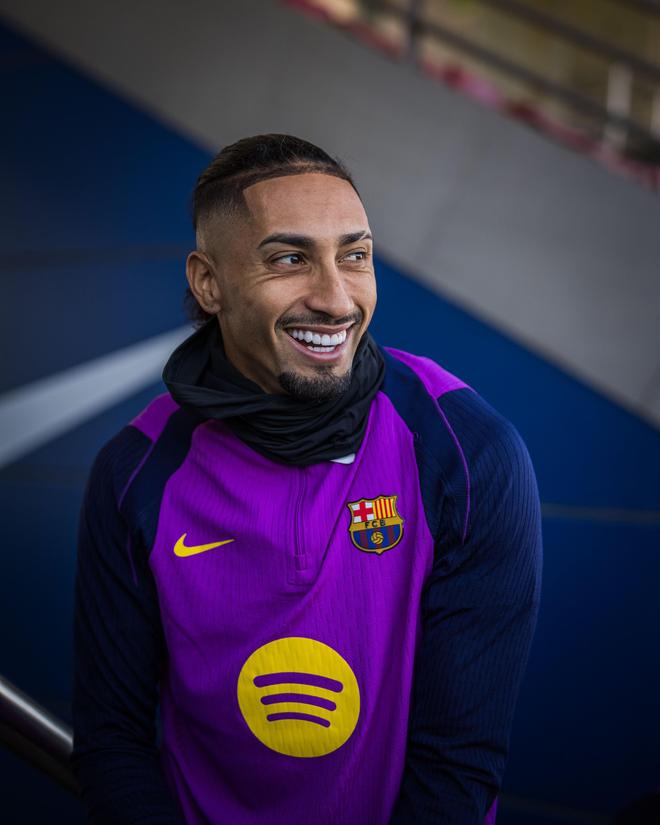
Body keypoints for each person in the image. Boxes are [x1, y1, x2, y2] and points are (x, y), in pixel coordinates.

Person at [70, 133, 542, 825]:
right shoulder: (136, 471)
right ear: (209, 283)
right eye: (290, 259)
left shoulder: (467, 452)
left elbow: (459, 764)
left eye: (355, 256)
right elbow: (112, 740)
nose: (335, 298)